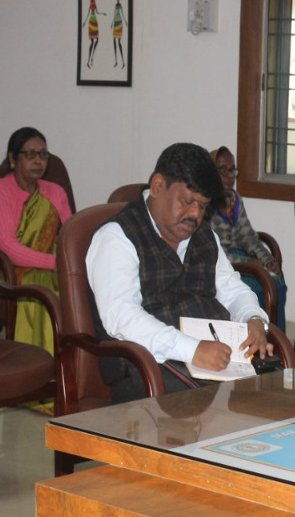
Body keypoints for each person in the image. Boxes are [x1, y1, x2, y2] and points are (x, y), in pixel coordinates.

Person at [87, 143, 274, 404]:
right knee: (216, 404)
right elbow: (121, 316)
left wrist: (253, 318)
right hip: (149, 366)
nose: (195, 214)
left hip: (214, 357)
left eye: (203, 205)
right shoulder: (117, 238)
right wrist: (192, 350)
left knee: (277, 386)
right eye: (187, 202)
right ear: (157, 186)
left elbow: (232, 289)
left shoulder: (204, 235)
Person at [0, 127, 73, 353]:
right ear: (13, 158)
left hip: (52, 264)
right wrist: (56, 263)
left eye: (43, 154)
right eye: (30, 154)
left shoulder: (55, 192)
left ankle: (74, 358)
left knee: (81, 287)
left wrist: (67, 262)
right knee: (45, 292)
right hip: (7, 271)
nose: (38, 161)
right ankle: (38, 357)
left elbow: (69, 236)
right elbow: (7, 248)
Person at [208, 146, 288, 330]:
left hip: (240, 257)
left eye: (232, 170)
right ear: (211, 172)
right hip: (220, 263)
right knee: (258, 286)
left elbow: (249, 237)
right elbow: (213, 251)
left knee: (276, 281)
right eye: (223, 170)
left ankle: (276, 337)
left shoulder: (234, 200)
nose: (230, 176)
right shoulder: (204, 205)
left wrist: (267, 259)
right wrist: (249, 263)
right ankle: (253, 334)